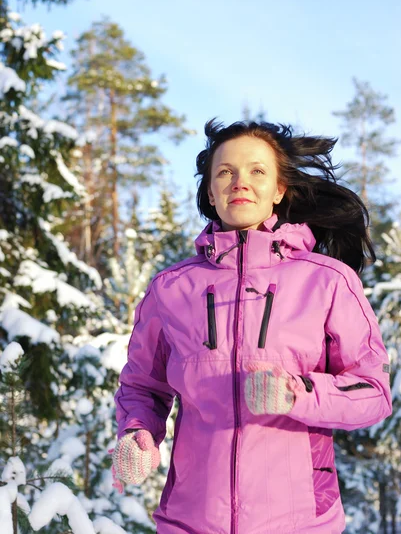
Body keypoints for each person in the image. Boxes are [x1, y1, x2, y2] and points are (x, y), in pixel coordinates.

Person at [113, 120, 392, 534]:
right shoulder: (171, 288)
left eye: (257, 171)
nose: (239, 181)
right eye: (225, 171)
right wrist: (137, 434)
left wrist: (298, 392)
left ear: (279, 189)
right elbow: (143, 386)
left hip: (299, 523)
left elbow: (374, 393)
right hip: (189, 522)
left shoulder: (328, 282)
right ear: (210, 191)